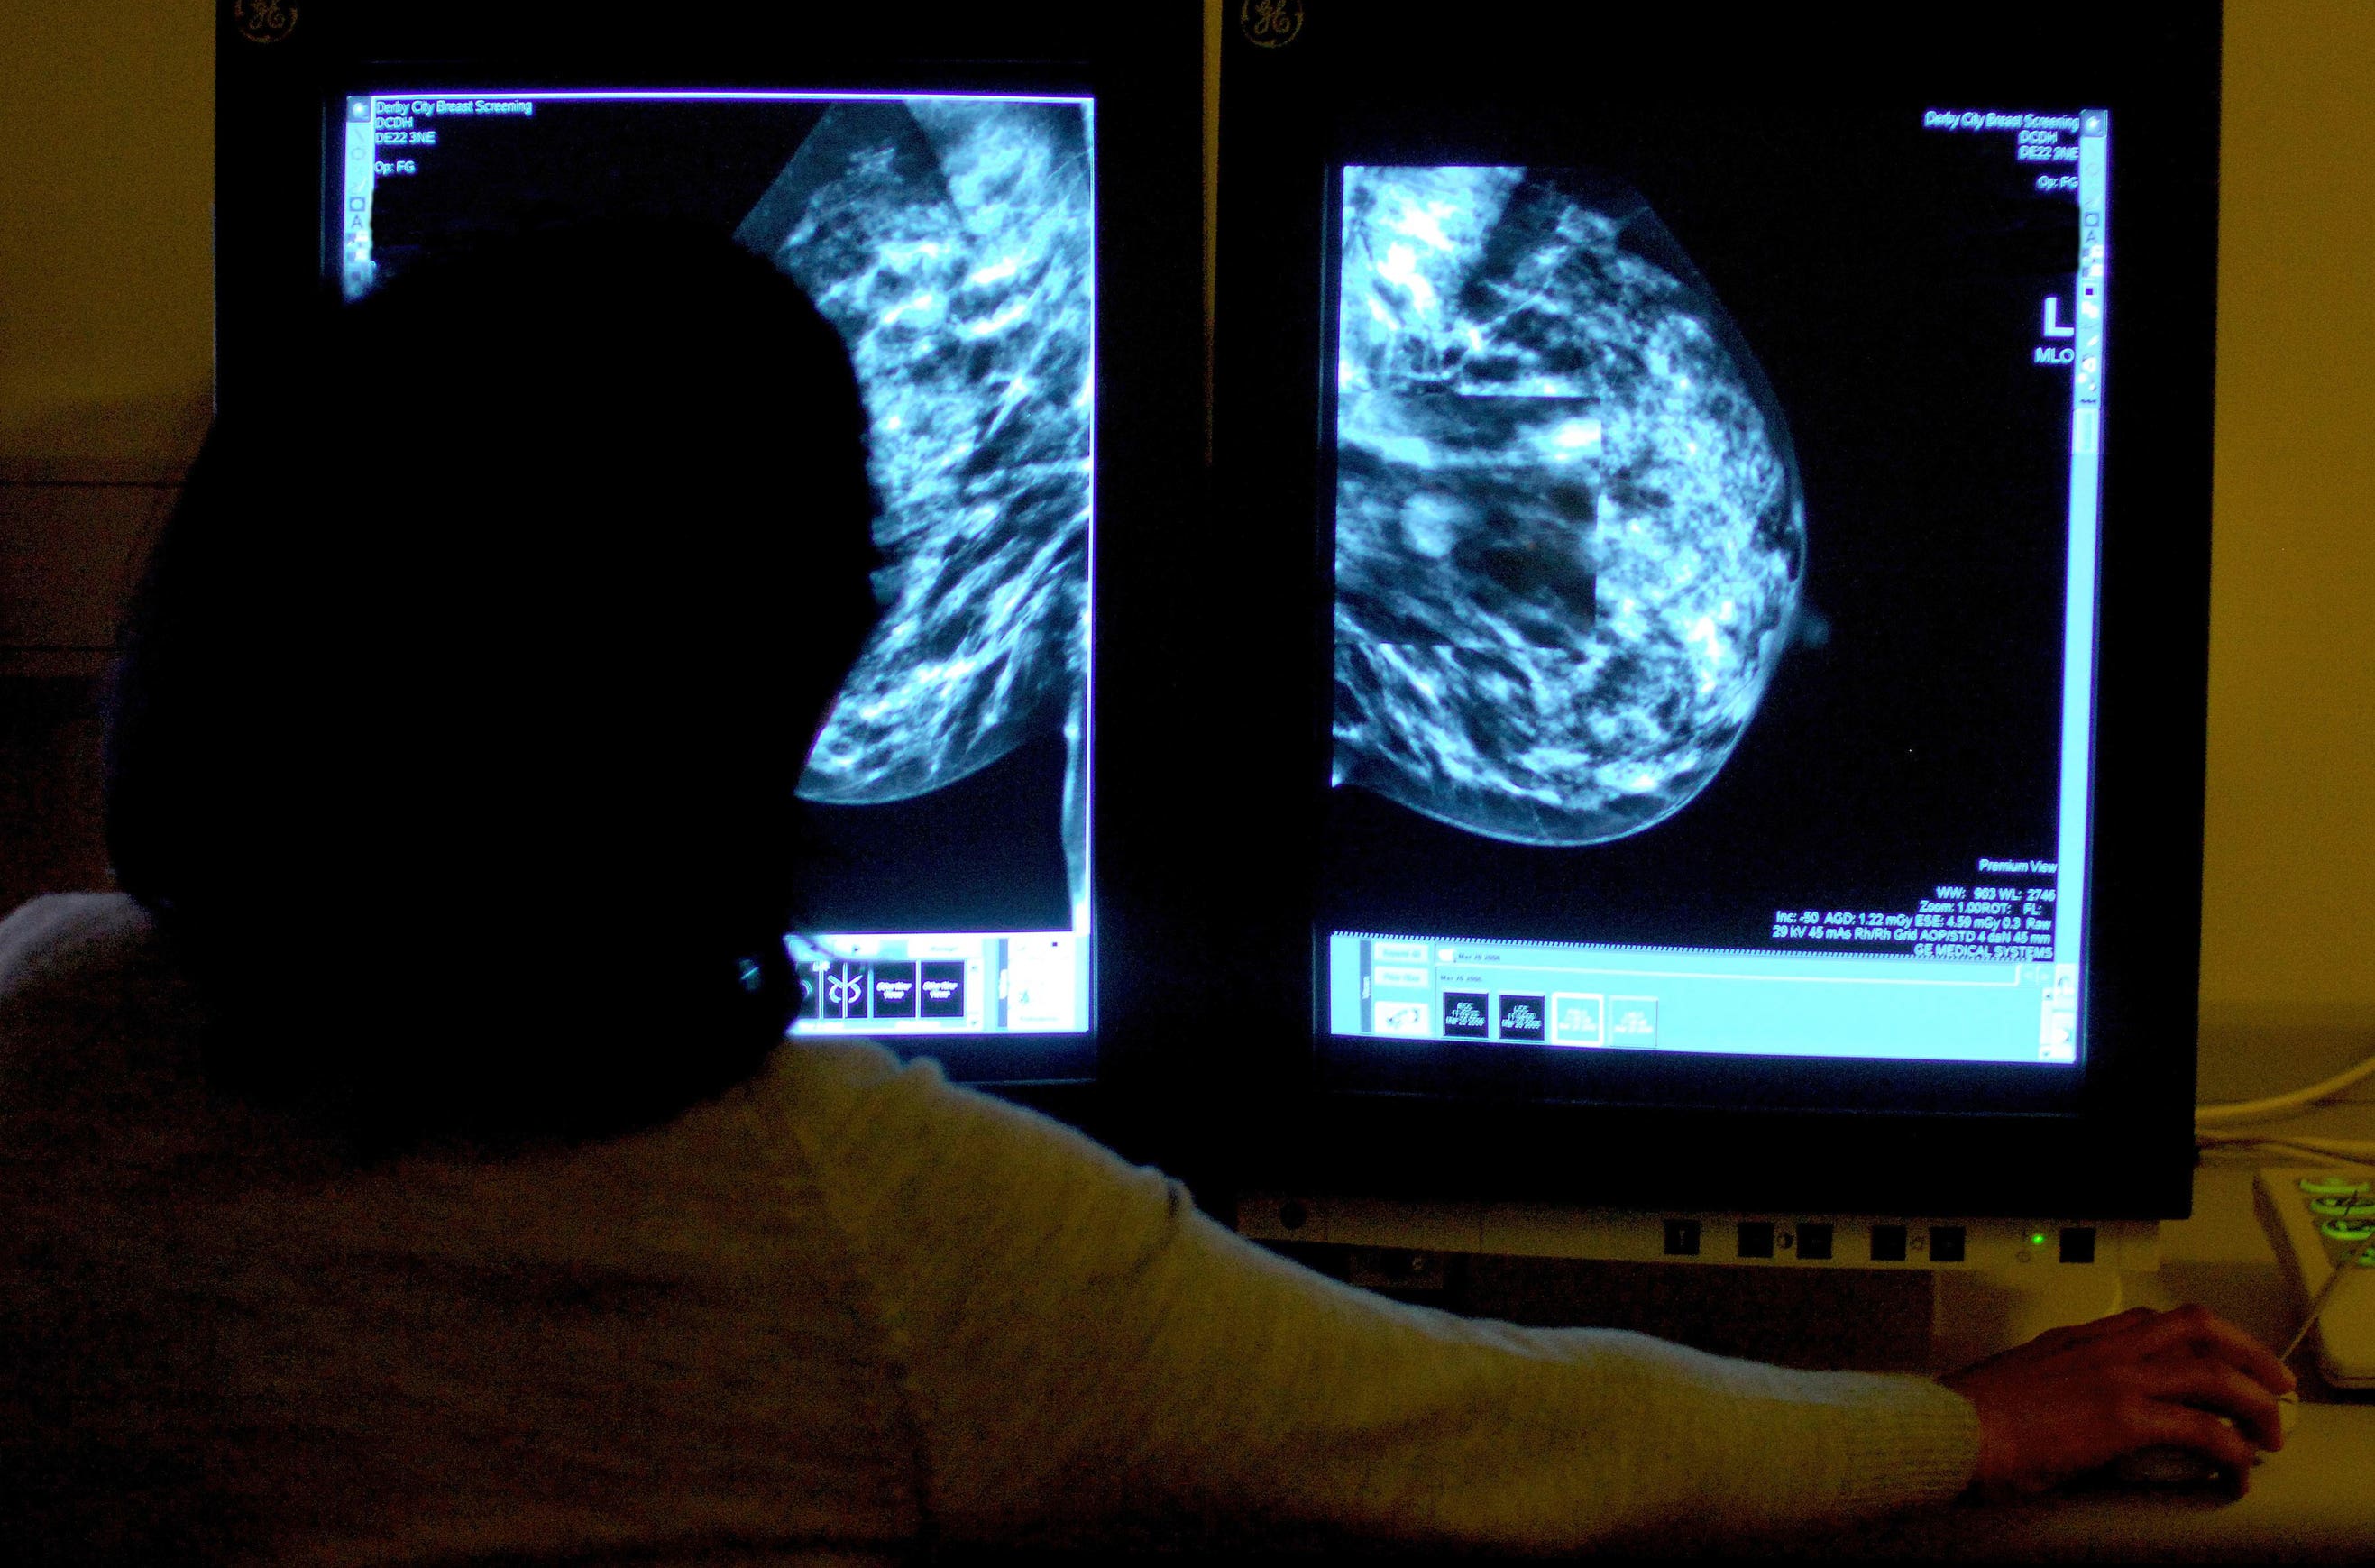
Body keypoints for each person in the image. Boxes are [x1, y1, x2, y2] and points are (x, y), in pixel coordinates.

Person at [0, 225, 2293, 1563]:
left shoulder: (27, 1043)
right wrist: (1982, 1421)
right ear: (766, 700)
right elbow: (1516, 1430)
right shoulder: (901, 1235)